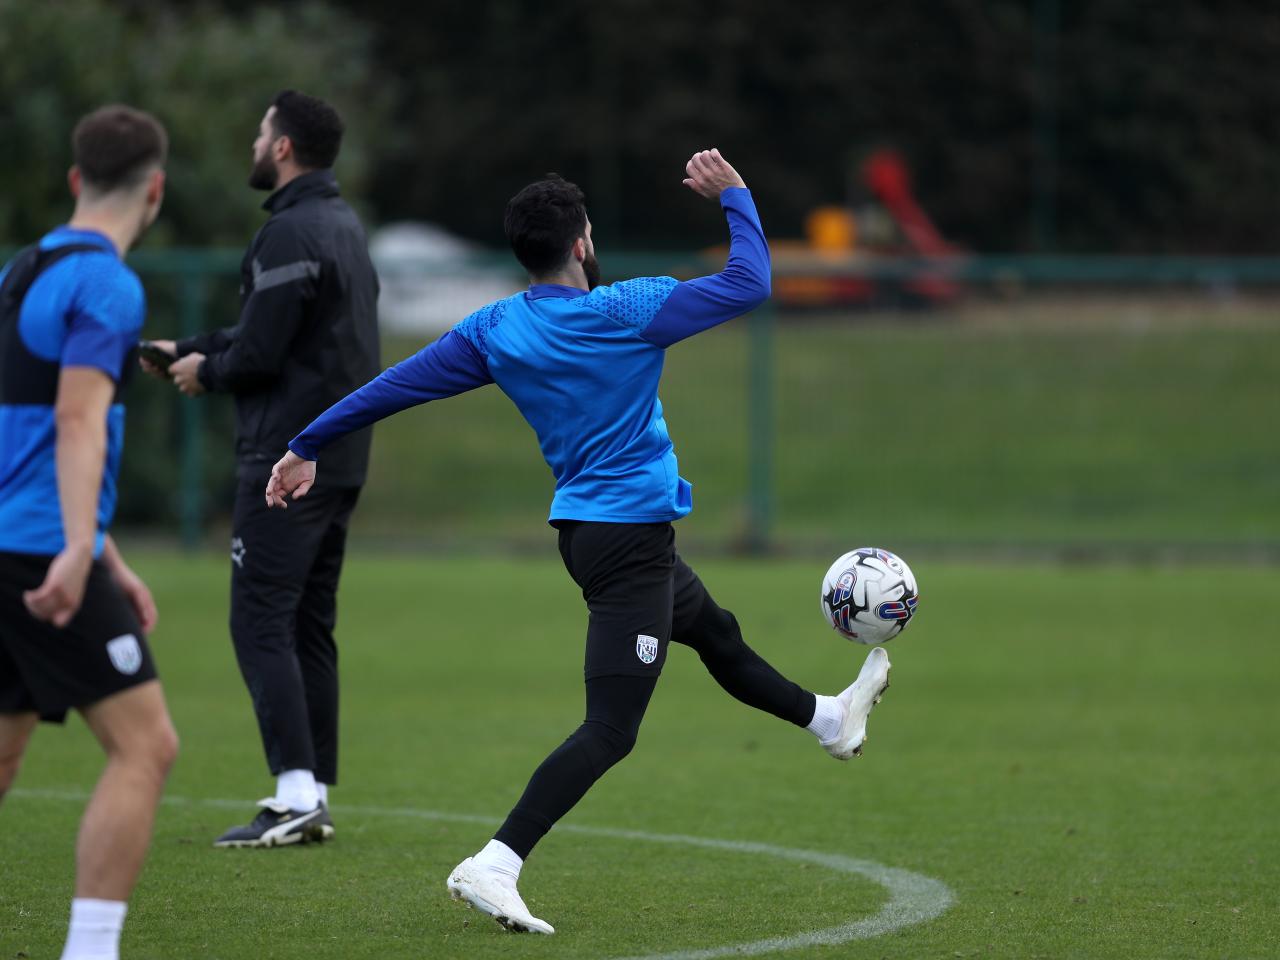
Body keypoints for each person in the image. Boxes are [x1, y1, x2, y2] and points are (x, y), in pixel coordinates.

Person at [264, 149, 892, 933]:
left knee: (716, 634)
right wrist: (736, 197)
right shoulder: (628, 309)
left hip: (610, 537)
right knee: (610, 730)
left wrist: (306, 444)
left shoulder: (494, 329)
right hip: (624, 545)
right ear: (583, 243)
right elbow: (752, 281)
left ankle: (830, 721)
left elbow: (391, 388)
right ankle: (495, 863)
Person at [140, 91, 380, 847]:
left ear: (282, 148)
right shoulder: (342, 226)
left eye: (260, 132)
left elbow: (261, 354)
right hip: (340, 456)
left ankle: (296, 794)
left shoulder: (289, 231)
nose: (253, 141)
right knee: (309, 622)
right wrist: (191, 348)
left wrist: (206, 372)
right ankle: (310, 790)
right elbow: (270, 334)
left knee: (260, 620)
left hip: (286, 460)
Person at [0, 104, 179, 960]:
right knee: (146, 748)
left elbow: (26, 434)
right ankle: (90, 953)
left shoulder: (19, 270)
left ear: (76, 180)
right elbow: (77, 422)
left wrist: (105, 549)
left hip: (18, 541)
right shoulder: (108, 283)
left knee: (2, 751)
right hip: (40, 551)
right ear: (156, 188)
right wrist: (78, 549)